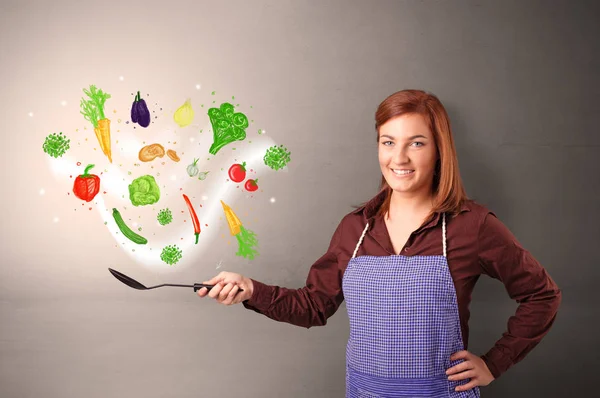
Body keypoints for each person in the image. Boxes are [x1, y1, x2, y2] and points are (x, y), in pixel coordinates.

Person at [197, 89, 562, 397]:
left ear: (439, 150)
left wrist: (494, 363)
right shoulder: (355, 229)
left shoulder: (473, 226)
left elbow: (542, 295)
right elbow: (313, 306)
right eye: (388, 142)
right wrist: (250, 290)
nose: (398, 158)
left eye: (416, 143)